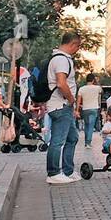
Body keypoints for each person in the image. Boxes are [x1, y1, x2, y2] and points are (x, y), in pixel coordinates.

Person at [44, 32, 82, 185]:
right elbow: (61, 83)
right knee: (58, 141)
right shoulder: (61, 60)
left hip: (62, 106)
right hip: (61, 105)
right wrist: (71, 99)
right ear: (72, 44)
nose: (78, 49)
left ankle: (68, 170)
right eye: (78, 46)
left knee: (72, 138)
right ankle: (53, 172)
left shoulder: (61, 58)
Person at [77, 73, 104, 152]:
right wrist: (97, 82)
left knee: (87, 125)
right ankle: (88, 142)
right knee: (91, 126)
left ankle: (86, 142)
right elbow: (102, 91)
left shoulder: (81, 88)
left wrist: (77, 110)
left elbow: (78, 100)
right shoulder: (97, 88)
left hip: (85, 109)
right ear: (93, 80)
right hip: (94, 108)